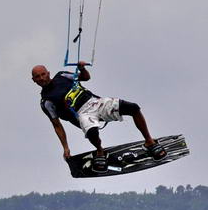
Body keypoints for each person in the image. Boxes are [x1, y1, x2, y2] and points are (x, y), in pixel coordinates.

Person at [31, 61, 166, 171]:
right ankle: (100, 151)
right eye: (37, 77)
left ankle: (149, 141)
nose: (41, 78)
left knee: (134, 108)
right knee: (92, 132)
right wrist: (65, 147)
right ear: (34, 80)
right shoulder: (46, 102)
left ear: (48, 73)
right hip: (82, 114)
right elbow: (57, 126)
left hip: (96, 102)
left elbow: (85, 77)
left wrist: (82, 68)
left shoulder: (62, 76)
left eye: (43, 74)